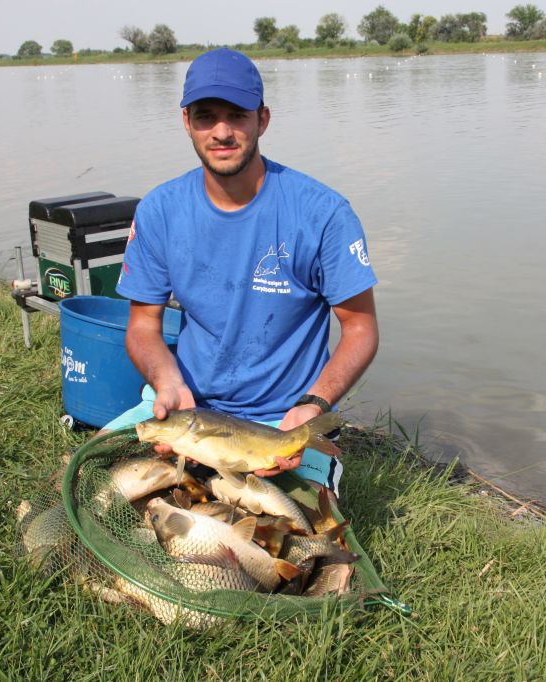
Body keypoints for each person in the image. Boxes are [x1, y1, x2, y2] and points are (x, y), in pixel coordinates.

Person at [102, 48, 378, 496]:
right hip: (186, 408)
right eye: (206, 117)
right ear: (186, 121)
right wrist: (166, 381)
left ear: (262, 120)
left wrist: (314, 404)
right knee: (96, 486)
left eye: (237, 115)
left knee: (297, 544)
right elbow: (143, 325)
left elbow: (361, 328)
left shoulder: (323, 213)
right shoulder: (160, 210)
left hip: (282, 420)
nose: (222, 132)